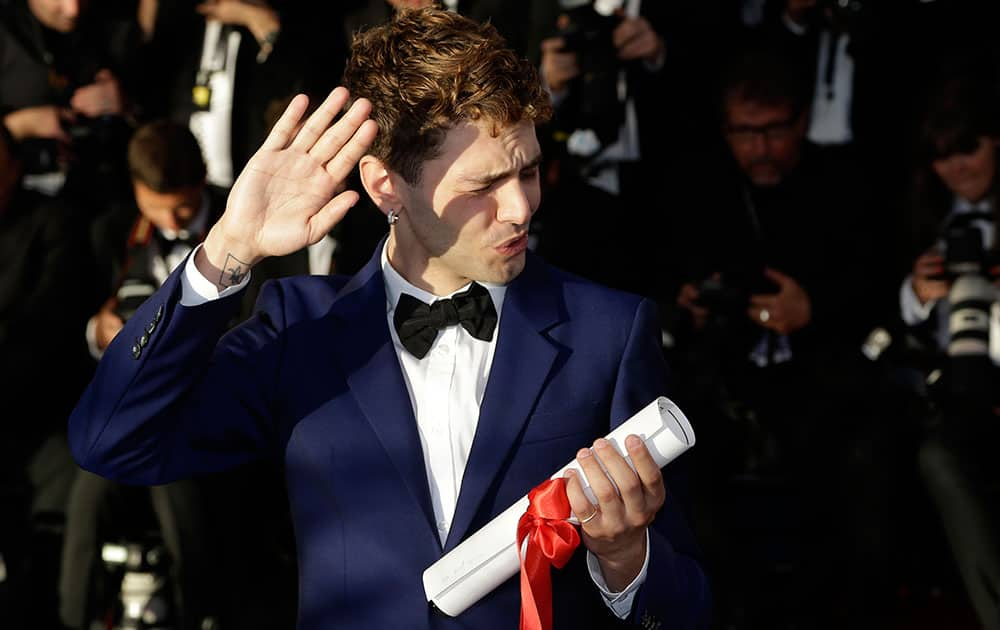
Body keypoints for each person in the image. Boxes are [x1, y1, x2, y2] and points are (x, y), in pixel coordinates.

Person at [68, 7, 709, 629]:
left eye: (530, 170)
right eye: (483, 186)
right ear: (385, 187)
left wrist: (627, 562)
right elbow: (111, 442)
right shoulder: (302, 330)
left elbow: (685, 610)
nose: (520, 207)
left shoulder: (609, 333)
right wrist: (225, 251)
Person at [61, 120, 219, 630]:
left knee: (169, 477)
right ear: (135, 190)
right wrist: (97, 330)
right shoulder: (111, 232)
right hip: (119, 413)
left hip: (199, 409)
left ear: (203, 184)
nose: (174, 219)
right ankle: (73, 617)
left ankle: (201, 613)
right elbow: (65, 323)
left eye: (185, 205)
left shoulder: (240, 226)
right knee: (89, 480)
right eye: (159, 206)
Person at [899, 76, 1000, 630]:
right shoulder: (923, 213)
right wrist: (917, 292)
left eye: (968, 149)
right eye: (942, 157)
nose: (956, 168)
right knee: (937, 456)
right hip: (954, 393)